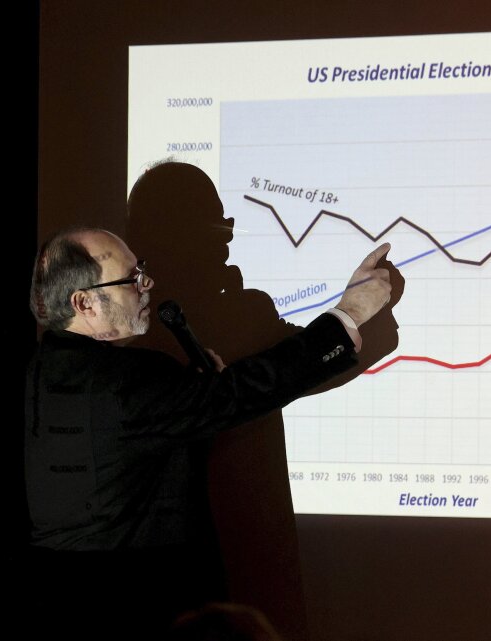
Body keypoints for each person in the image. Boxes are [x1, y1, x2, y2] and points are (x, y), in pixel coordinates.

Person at [23, 227, 391, 634]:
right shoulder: (126, 382)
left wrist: (196, 396)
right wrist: (348, 314)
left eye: (141, 270)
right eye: (131, 279)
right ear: (84, 303)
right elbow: (242, 393)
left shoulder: (46, 367)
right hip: (137, 607)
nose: (147, 284)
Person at [126, 161, 403, 641]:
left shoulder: (117, 333)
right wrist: (368, 313)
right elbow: (314, 365)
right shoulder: (237, 315)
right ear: (180, 237)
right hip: (244, 565)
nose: (227, 241)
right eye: (217, 228)